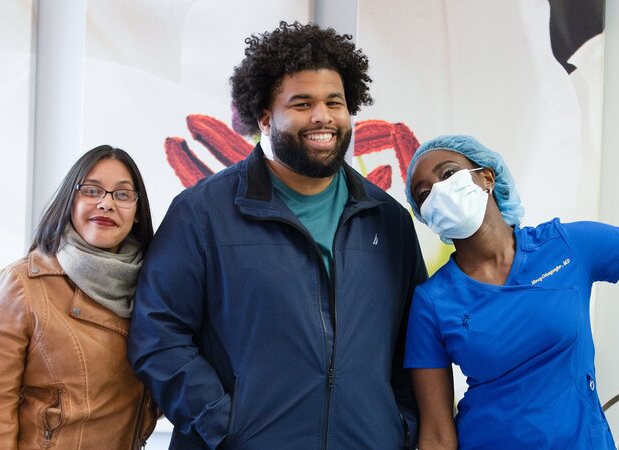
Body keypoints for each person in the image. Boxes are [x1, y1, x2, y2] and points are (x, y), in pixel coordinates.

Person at [127, 21, 427, 449]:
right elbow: (157, 336)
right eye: (302, 103)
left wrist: (399, 427)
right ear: (266, 117)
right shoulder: (202, 213)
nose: (322, 116)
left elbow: (412, 343)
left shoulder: (388, 220)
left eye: (334, 102)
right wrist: (224, 426)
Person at [402, 134, 619, 449]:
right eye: (425, 193)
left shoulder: (568, 246)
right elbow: (437, 435)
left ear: (486, 177)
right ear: (427, 217)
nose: (439, 191)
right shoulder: (432, 301)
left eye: (447, 174)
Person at [0, 145, 159, 449]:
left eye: (122, 195)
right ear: (71, 200)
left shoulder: (154, 291)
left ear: (136, 213)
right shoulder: (20, 286)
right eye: (92, 190)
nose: (106, 204)